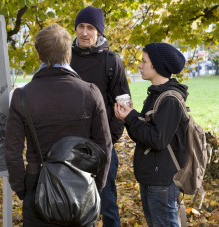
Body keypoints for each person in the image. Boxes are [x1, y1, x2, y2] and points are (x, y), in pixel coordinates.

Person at [4, 24, 112, 226]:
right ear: (68, 53)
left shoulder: (22, 96)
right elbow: (104, 147)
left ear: (38, 55)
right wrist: (96, 186)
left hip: (37, 185)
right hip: (82, 185)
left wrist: (23, 189)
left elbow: (12, 151)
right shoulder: (90, 92)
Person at [114, 43, 188, 226]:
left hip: (161, 182)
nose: (139, 65)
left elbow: (158, 139)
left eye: (143, 61)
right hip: (151, 178)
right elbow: (144, 136)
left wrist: (132, 117)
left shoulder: (169, 99)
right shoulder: (156, 94)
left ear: (156, 65)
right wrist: (129, 118)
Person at [70, 6, 131, 227]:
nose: (84, 33)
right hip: (70, 147)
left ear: (99, 32)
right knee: (74, 207)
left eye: (90, 28)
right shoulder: (65, 58)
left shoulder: (112, 62)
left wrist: (109, 139)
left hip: (103, 148)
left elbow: (123, 103)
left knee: (108, 206)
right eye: (81, 27)